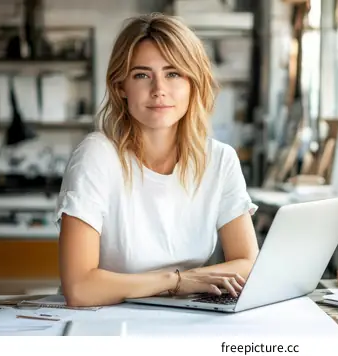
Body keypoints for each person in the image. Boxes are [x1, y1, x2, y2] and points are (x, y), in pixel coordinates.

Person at [55, 13, 259, 307]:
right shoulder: (96, 156)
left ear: (193, 82)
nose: (159, 89)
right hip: (109, 324)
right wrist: (178, 281)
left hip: (187, 319)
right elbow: (80, 287)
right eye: (142, 75)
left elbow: (248, 264)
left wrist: (187, 282)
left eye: (173, 73)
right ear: (121, 86)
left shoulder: (220, 159)